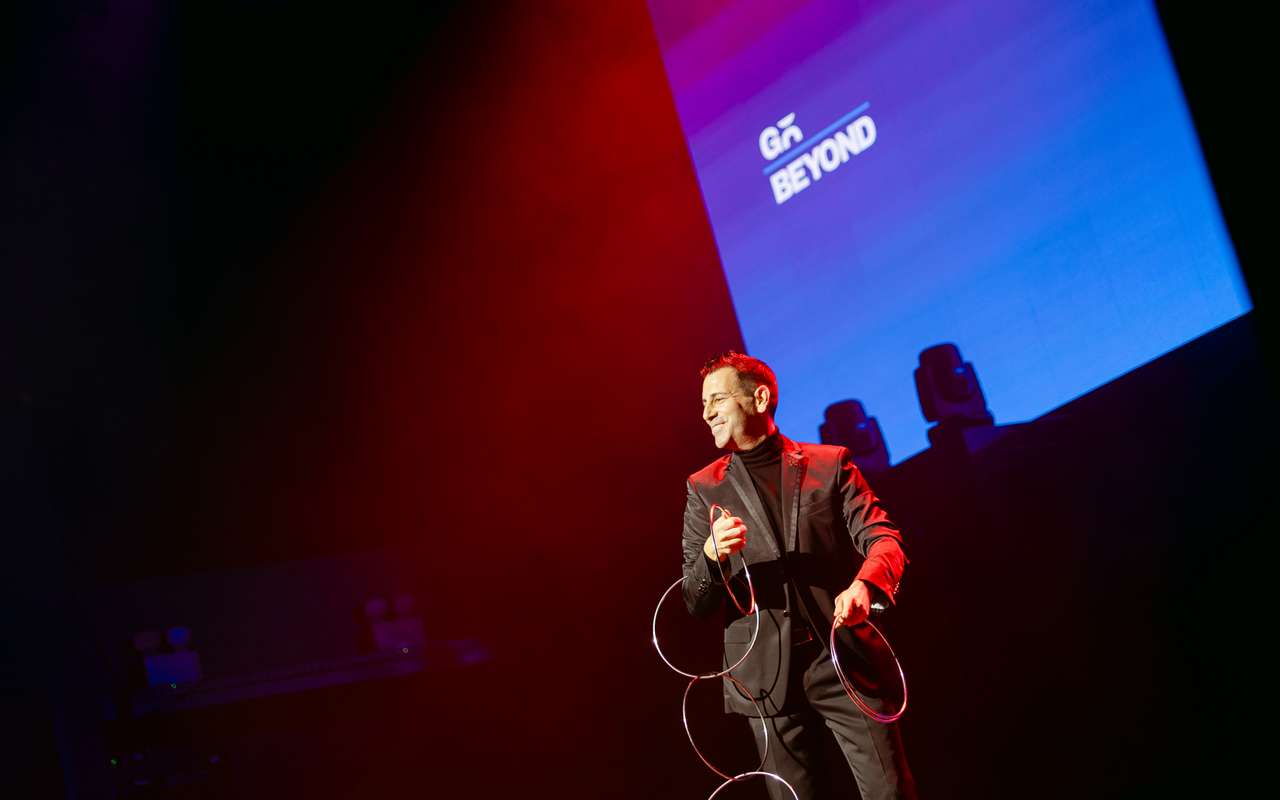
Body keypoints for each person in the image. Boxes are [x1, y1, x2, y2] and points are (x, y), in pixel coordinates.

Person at [682, 352, 917, 799]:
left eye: (717, 400)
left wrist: (866, 584)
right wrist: (711, 557)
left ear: (759, 398)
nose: (707, 413)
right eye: (703, 403)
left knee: (889, 791)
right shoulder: (704, 487)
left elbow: (884, 539)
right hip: (764, 678)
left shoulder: (829, 464)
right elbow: (695, 601)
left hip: (840, 657)